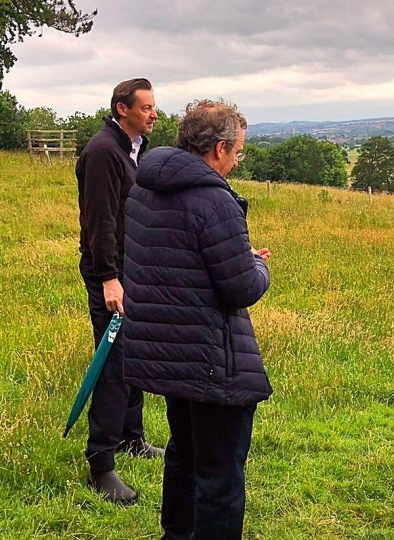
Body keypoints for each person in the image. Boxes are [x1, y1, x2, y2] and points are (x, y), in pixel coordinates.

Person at [122, 99, 272, 540]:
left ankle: (176, 535)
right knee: (220, 474)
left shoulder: (145, 187)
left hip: (168, 352)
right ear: (220, 148)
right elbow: (241, 287)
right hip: (210, 357)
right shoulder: (213, 199)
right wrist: (257, 265)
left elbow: (175, 261)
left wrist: (234, 257)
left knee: (184, 453)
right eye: (238, 151)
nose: (237, 160)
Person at [75, 78, 163, 505]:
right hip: (109, 273)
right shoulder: (103, 152)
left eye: (153, 107)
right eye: (145, 107)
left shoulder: (133, 149)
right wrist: (109, 277)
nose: (153, 114)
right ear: (121, 108)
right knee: (113, 362)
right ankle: (101, 465)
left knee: (135, 355)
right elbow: (100, 221)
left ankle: (132, 438)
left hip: (133, 269)